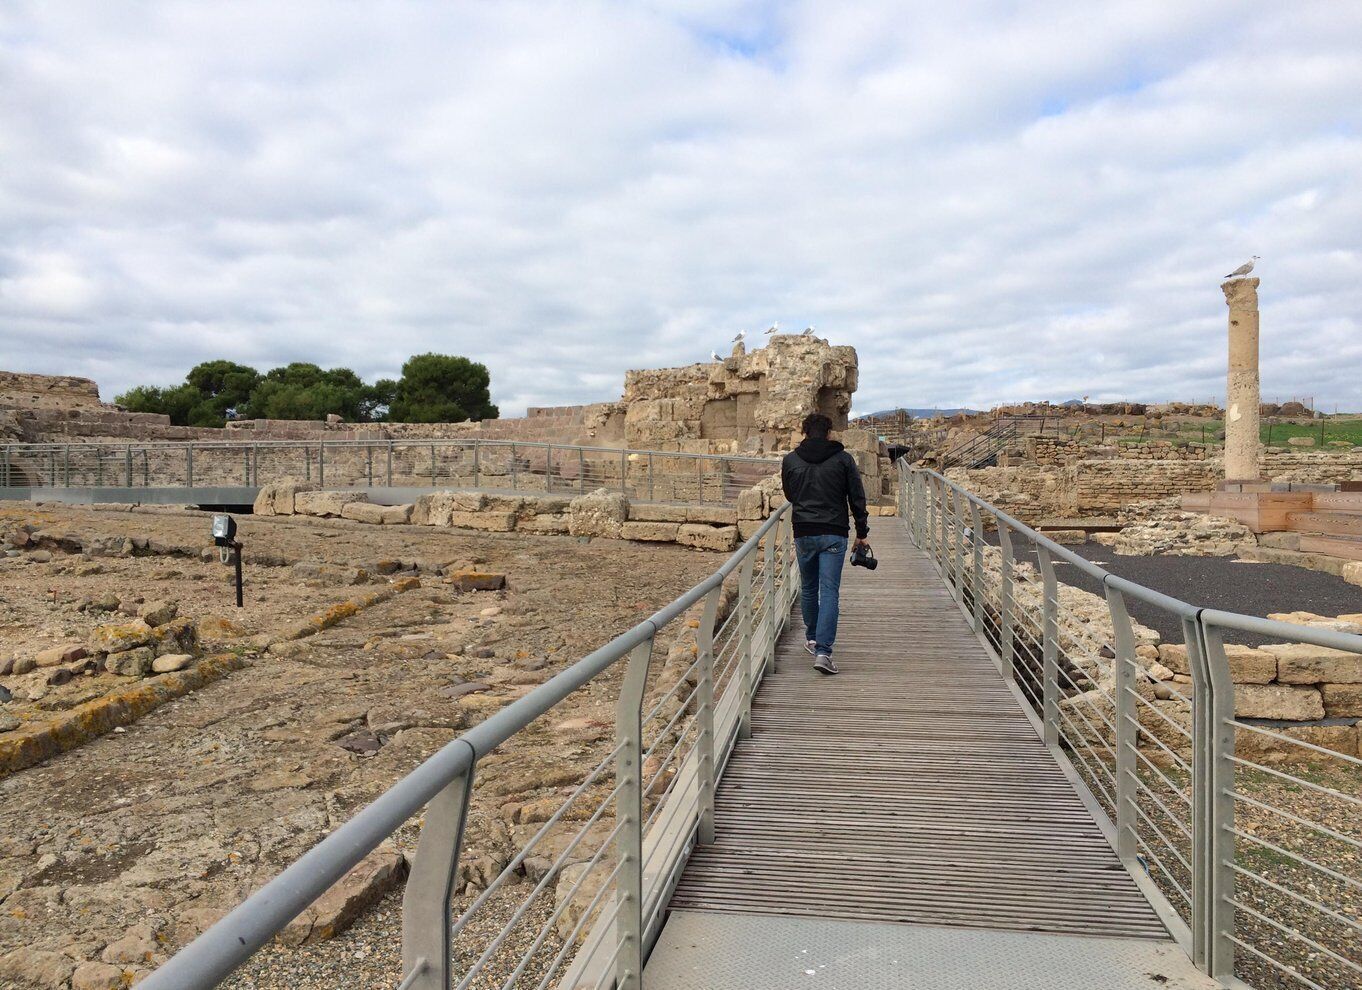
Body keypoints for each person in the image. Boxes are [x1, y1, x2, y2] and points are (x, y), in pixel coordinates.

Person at [780, 413, 870, 675]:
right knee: (829, 591)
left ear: (804, 432)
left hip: (804, 531)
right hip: (834, 532)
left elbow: (790, 495)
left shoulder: (791, 460)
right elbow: (856, 497)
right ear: (829, 433)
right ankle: (823, 652)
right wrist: (862, 532)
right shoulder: (843, 459)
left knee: (809, 588)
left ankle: (811, 639)